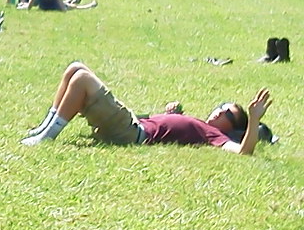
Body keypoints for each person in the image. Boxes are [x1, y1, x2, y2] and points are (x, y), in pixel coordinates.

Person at [21, 62, 273, 154]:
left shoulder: (214, 136)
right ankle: (43, 128)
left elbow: (243, 151)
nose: (219, 111)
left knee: (82, 79)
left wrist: (253, 120)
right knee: (75, 68)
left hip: (133, 133)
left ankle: (46, 137)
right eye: (221, 106)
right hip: (133, 122)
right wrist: (173, 115)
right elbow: (171, 130)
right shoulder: (201, 125)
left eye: (227, 114)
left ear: (231, 127)